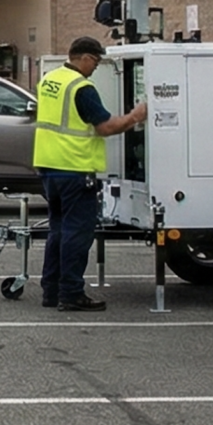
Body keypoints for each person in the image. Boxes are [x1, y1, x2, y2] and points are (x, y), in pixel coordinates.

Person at [32, 37, 147, 311]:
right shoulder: (82, 88)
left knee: (58, 231)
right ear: (83, 57)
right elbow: (105, 127)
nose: (95, 67)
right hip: (75, 168)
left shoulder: (50, 79)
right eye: (95, 61)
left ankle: (51, 291)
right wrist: (135, 116)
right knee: (77, 233)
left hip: (49, 167)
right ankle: (71, 293)